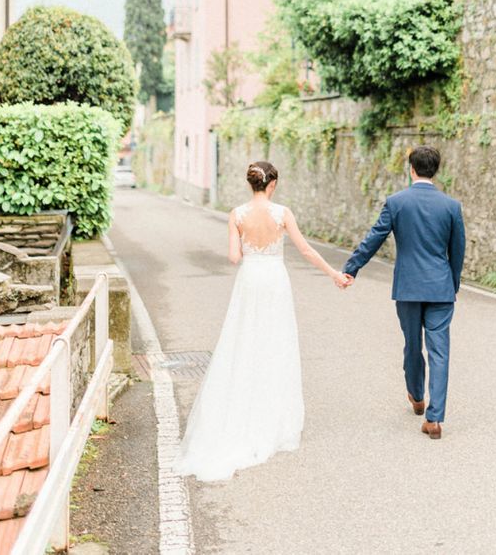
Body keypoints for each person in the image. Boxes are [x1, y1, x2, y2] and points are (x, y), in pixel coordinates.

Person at [174, 161, 349, 481]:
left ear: (251, 184)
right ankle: (273, 416)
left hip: (250, 279)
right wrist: (334, 274)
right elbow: (307, 251)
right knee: (275, 342)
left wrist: (246, 243)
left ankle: (241, 409)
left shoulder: (236, 214)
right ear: (272, 184)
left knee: (243, 341)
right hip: (274, 280)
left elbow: (234, 257)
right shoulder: (282, 213)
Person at [341, 146, 466, 440]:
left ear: (411, 169)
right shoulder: (451, 206)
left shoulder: (396, 202)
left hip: (408, 287)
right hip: (440, 288)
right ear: (436, 170)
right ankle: (435, 420)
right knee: (440, 351)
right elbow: (457, 252)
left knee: (412, 344)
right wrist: (453, 284)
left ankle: (416, 396)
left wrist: (352, 268)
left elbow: (374, 237)